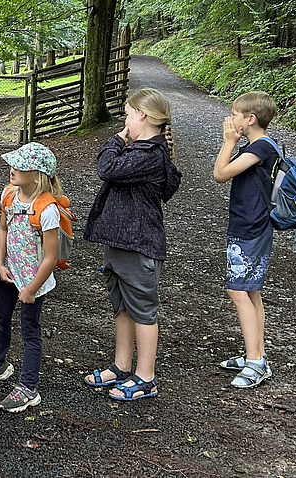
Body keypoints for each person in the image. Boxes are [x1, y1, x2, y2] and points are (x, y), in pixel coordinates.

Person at [82, 88, 182, 401]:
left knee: (142, 310)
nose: (125, 121)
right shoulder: (142, 150)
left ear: (141, 115)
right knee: (122, 307)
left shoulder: (149, 155)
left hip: (138, 245)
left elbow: (106, 168)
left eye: (127, 114)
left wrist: (117, 139)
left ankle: (146, 377)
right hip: (120, 242)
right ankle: (122, 367)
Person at [0, 142, 62, 413]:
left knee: (29, 330)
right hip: (9, 274)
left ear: (38, 175)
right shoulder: (9, 194)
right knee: (0, 318)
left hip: (33, 282)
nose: (12, 169)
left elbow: (50, 257)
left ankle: (28, 385)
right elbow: (2, 229)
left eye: (20, 166)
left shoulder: (47, 210)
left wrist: (32, 288)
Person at [212, 91, 279, 388]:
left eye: (235, 114)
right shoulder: (260, 145)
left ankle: (255, 362)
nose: (231, 119)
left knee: (238, 291)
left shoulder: (261, 147)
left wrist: (228, 142)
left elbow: (220, 174)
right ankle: (256, 353)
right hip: (253, 225)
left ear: (250, 119)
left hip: (250, 229)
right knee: (251, 292)